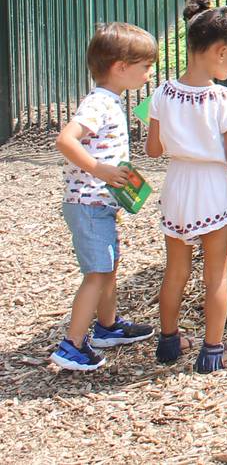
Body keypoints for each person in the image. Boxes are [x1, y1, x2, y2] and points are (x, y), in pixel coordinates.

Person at [148, 0, 227, 373]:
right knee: (216, 275)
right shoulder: (225, 99)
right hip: (214, 189)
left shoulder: (161, 92)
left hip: (177, 186)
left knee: (175, 270)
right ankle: (212, 351)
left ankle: (168, 340)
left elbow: (153, 148)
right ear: (221, 51)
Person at [50, 23, 159, 371]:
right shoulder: (98, 102)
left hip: (99, 202)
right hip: (88, 202)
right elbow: (66, 140)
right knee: (97, 272)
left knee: (109, 266)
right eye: (144, 67)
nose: (149, 73)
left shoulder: (109, 100)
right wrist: (99, 170)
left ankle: (107, 327)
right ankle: (71, 345)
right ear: (120, 67)